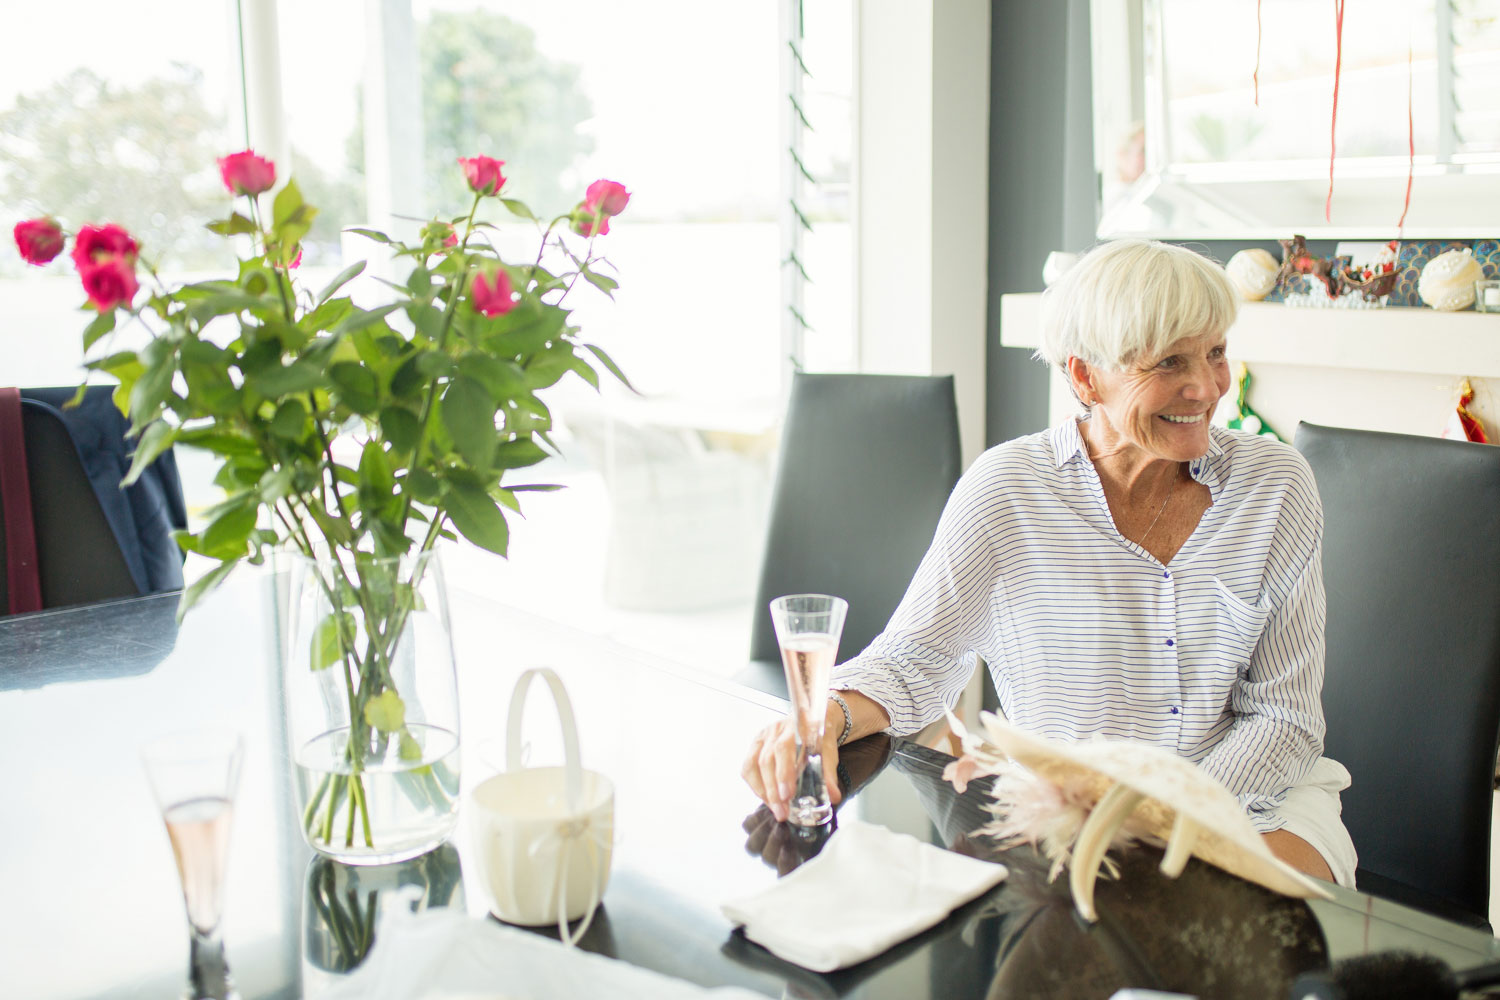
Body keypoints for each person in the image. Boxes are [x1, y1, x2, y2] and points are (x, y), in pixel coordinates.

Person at [741, 239, 1357, 886]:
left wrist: (1163, 817)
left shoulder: (1275, 484)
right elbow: (914, 659)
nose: (1205, 387)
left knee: (1265, 951)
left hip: (1255, 803)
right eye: (1170, 361)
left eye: (1216, 352)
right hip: (1072, 817)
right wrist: (821, 719)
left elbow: (1284, 719)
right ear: (1085, 377)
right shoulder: (1008, 490)